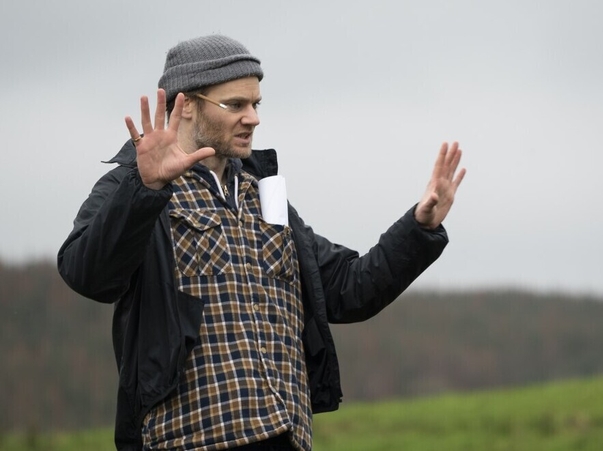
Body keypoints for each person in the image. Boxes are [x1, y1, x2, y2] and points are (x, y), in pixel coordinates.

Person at [57, 34, 465, 451]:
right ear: (187, 106)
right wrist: (145, 189)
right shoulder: (133, 186)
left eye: (256, 104)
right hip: (187, 441)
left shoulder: (262, 194)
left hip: (285, 436)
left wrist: (420, 227)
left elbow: (346, 289)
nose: (253, 118)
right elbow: (87, 274)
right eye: (235, 105)